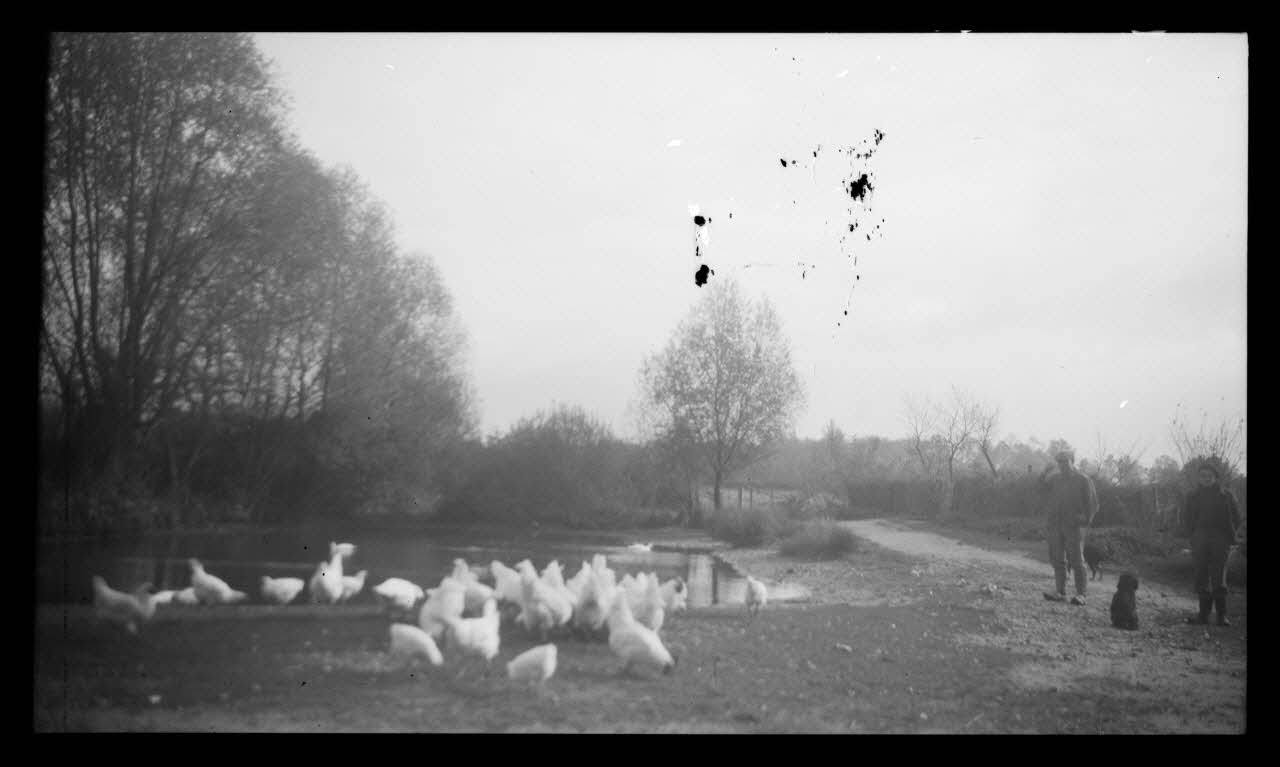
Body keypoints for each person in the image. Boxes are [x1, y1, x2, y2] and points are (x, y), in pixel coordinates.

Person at [1181, 463, 1242, 626]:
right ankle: (1203, 615)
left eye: (1209, 476)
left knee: (1219, 574)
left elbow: (1236, 516)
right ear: (1198, 478)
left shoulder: (1226, 495)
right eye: (1202, 476)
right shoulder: (1192, 496)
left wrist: (1229, 535)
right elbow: (1185, 517)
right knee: (1201, 573)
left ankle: (1222, 617)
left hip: (1220, 537)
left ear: (1215, 477)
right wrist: (1192, 535)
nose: (1206, 479)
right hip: (1199, 536)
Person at [1039, 450, 1099, 605]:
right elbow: (1042, 492)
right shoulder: (1055, 479)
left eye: (1065, 461)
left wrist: (1084, 520)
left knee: (1077, 560)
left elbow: (1093, 504)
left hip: (1074, 526)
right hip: (1056, 524)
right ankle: (1060, 592)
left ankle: (1081, 594)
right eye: (1059, 462)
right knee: (1057, 559)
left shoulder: (1083, 480)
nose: (1062, 465)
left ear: (1073, 461)